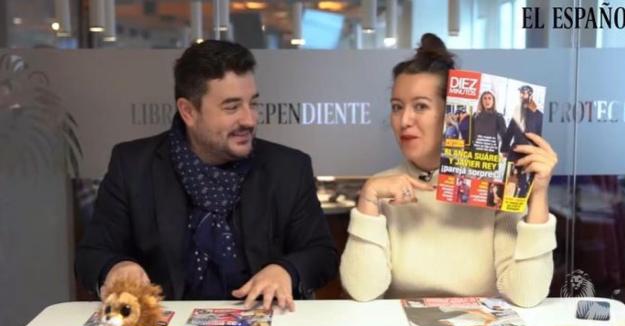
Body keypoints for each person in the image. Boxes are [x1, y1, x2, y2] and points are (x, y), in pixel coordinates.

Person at [75, 40, 338, 311]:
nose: (249, 120)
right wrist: (116, 267)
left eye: (253, 103)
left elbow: (321, 254)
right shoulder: (132, 165)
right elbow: (91, 255)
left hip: (262, 325)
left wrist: (286, 270)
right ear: (188, 111)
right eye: (232, 107)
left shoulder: (288, 168)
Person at [339, 33, 558, 307]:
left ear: (450, 112)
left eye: (420, 106)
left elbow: (527, 295)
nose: (404, 120)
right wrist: (369, 198)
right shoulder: (382, 186)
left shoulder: (493, 185)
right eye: (397, 107)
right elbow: (362, 290)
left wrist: (537, 194)